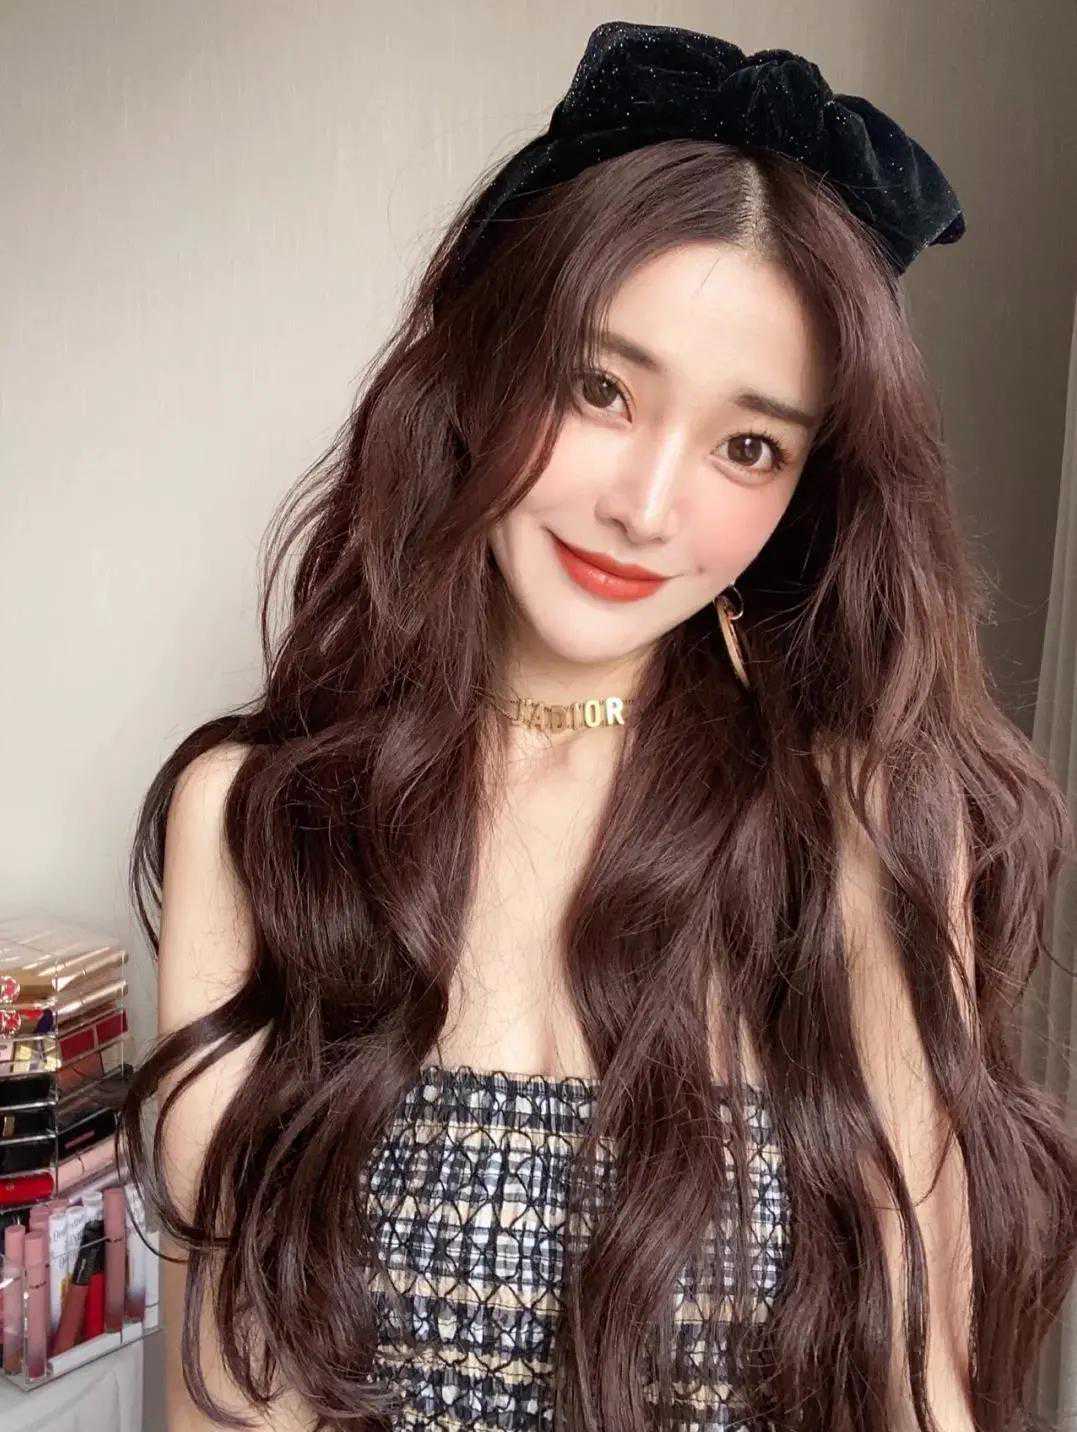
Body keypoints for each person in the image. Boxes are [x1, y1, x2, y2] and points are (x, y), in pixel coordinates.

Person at [120, 20, 1077, 1432]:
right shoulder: (261, 813)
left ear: (806, 493)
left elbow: (912, 1384)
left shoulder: (859, 828)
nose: (646, 505)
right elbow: (232, 1396)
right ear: (486, 368)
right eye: (599, 388)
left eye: (747, 446)